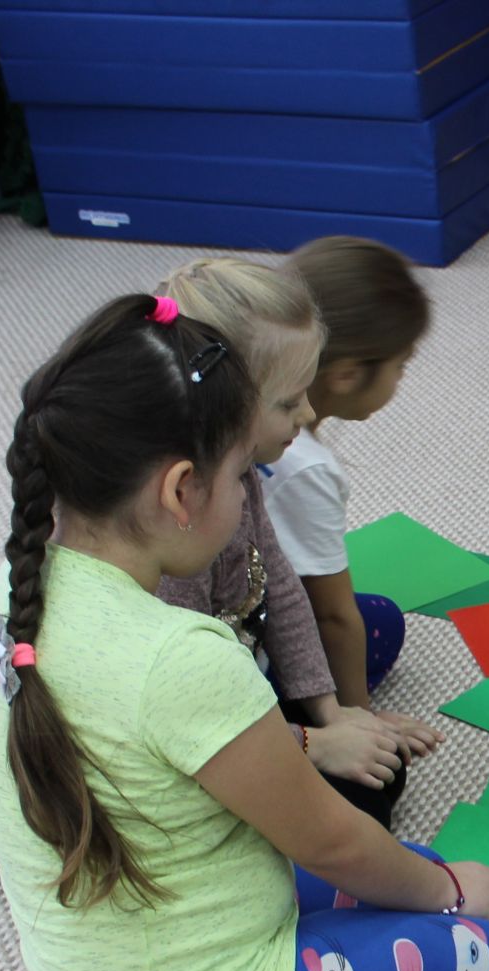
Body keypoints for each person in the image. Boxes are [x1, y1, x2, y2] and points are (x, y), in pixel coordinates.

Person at [0, 296, 489, 971]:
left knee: (400, 868)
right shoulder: (185, 657)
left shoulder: (15, 591)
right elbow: (329, 837)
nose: (249, 494)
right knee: (487, 952)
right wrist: (444, 893)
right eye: (241, 476)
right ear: (183, 490)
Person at [155, 257, 436, 830]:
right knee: (367, 796)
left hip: (238, 669)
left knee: (377, 622)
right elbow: (192, 718)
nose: (308, 415)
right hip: (190, 729)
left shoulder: (240, 469)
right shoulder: (174, 547)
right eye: (288, 403)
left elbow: (280, 586)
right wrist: (313, 742)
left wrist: (334, 713)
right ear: (219, 405)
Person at [265, 235, 436, 717]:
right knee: (378, 622)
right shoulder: (304, 466)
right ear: (345, 374)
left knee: (373, 612)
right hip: (236, 646)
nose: (401, 378)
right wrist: (357, 720)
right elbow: (333, 617)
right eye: (400, 366)